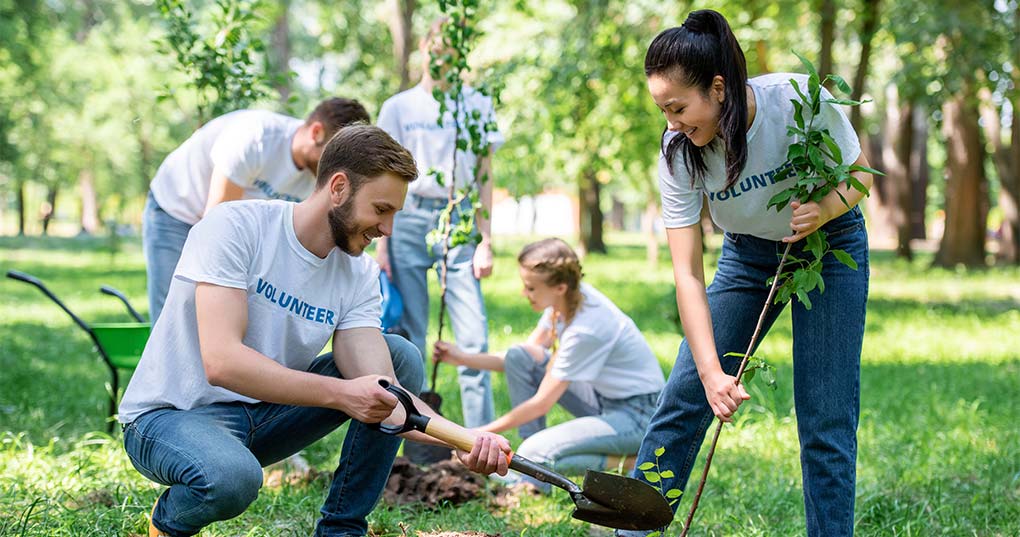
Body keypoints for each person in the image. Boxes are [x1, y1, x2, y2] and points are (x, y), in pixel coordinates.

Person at [119, 125, 511, 537]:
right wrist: (344, 395)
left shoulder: (358, 272)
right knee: (232, 479)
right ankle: (167, 524)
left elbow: (385, 394)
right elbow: (222, 363)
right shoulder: (236, 226)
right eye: (381, 210)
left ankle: (341, 531)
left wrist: (466, 440)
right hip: (170, 418)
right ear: (338, 187)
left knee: (399, 355)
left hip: (263, 418)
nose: (388, 229)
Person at [618, 10, 875, 537]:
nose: (671, 123)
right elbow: (687, 274)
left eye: (678, 107)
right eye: (662, 110)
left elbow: (858, 177)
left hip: (829, 245)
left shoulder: (797, 102)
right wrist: (713, 372)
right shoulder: (677, 157)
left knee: (826, 419)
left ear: (717, 88)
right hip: (748, 256)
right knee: (683, 397)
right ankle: (630, 531)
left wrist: (824, 210)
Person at [433, 238, 666, 490]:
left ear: (560, 287)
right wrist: (461, 358)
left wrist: (479, 434)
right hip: (602, 400)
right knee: (519, 356)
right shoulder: (565, 302)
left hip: (638, 417)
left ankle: (618, 464)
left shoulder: (587, 328)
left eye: (531, 288)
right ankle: (531, 466)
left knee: (536, 450)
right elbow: (522, 357)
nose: (524, 293)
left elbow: (541, 403)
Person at [375, 18, 503, 427]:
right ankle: (408, 427)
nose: (443, 56)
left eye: (453, 49)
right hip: (408, 216)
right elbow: (382, 172)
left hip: (460, 215)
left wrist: (485, 238)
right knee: (410, 331)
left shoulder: (478, 103)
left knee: (472, 334)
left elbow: (485, 174)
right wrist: (382, 242)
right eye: (437, 46)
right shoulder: (399, 107)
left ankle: (480, 437)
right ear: (425, 48)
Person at [143, 98, 370, 323]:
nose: (337, 167)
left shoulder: (322, 176)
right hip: (176, 208)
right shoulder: (256, 137)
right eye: (334, 154)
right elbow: (215, 223)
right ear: (316, 132)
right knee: (176, 310)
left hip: (227, 223)